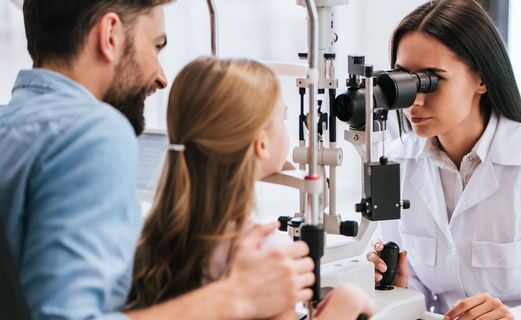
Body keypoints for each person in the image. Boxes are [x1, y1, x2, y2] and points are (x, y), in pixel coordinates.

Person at [0, 1, 315, 319]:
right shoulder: (93, 132)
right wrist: (235, 298)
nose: (162, 77)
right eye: (156, 45)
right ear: (110, 35)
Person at [126, 56, 376, 319]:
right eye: (284, 118)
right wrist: (347, 303)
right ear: (262, 144)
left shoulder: (144, 237)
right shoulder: (266, 255)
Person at [367, 0, 521, 319]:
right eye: (404, 80)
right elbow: (418, 289)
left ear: (481, 79)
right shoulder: (394, 162)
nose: (415, 99)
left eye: (430, 80)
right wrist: (399, 287)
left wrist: (516, 317)